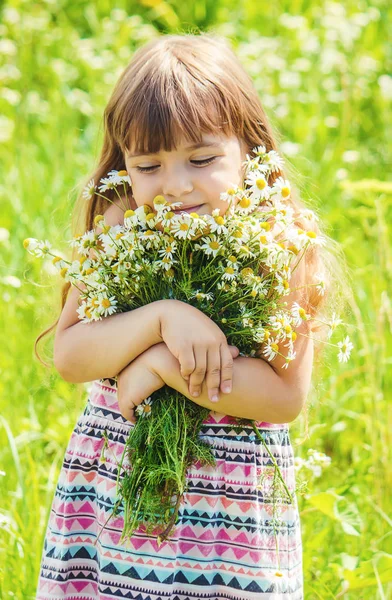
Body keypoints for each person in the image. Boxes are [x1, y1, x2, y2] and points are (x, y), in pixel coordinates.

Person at [34, 31, 340, 600]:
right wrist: (160, 320)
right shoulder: (121, 228)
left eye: (201, 159)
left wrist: (161, 366)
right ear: (123, 165)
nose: (176, 186)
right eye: (148, 165)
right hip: (118, 504)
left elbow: (283, 398)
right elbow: (71, 356)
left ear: (250, 148)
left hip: (228, 522)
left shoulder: (280, 244)